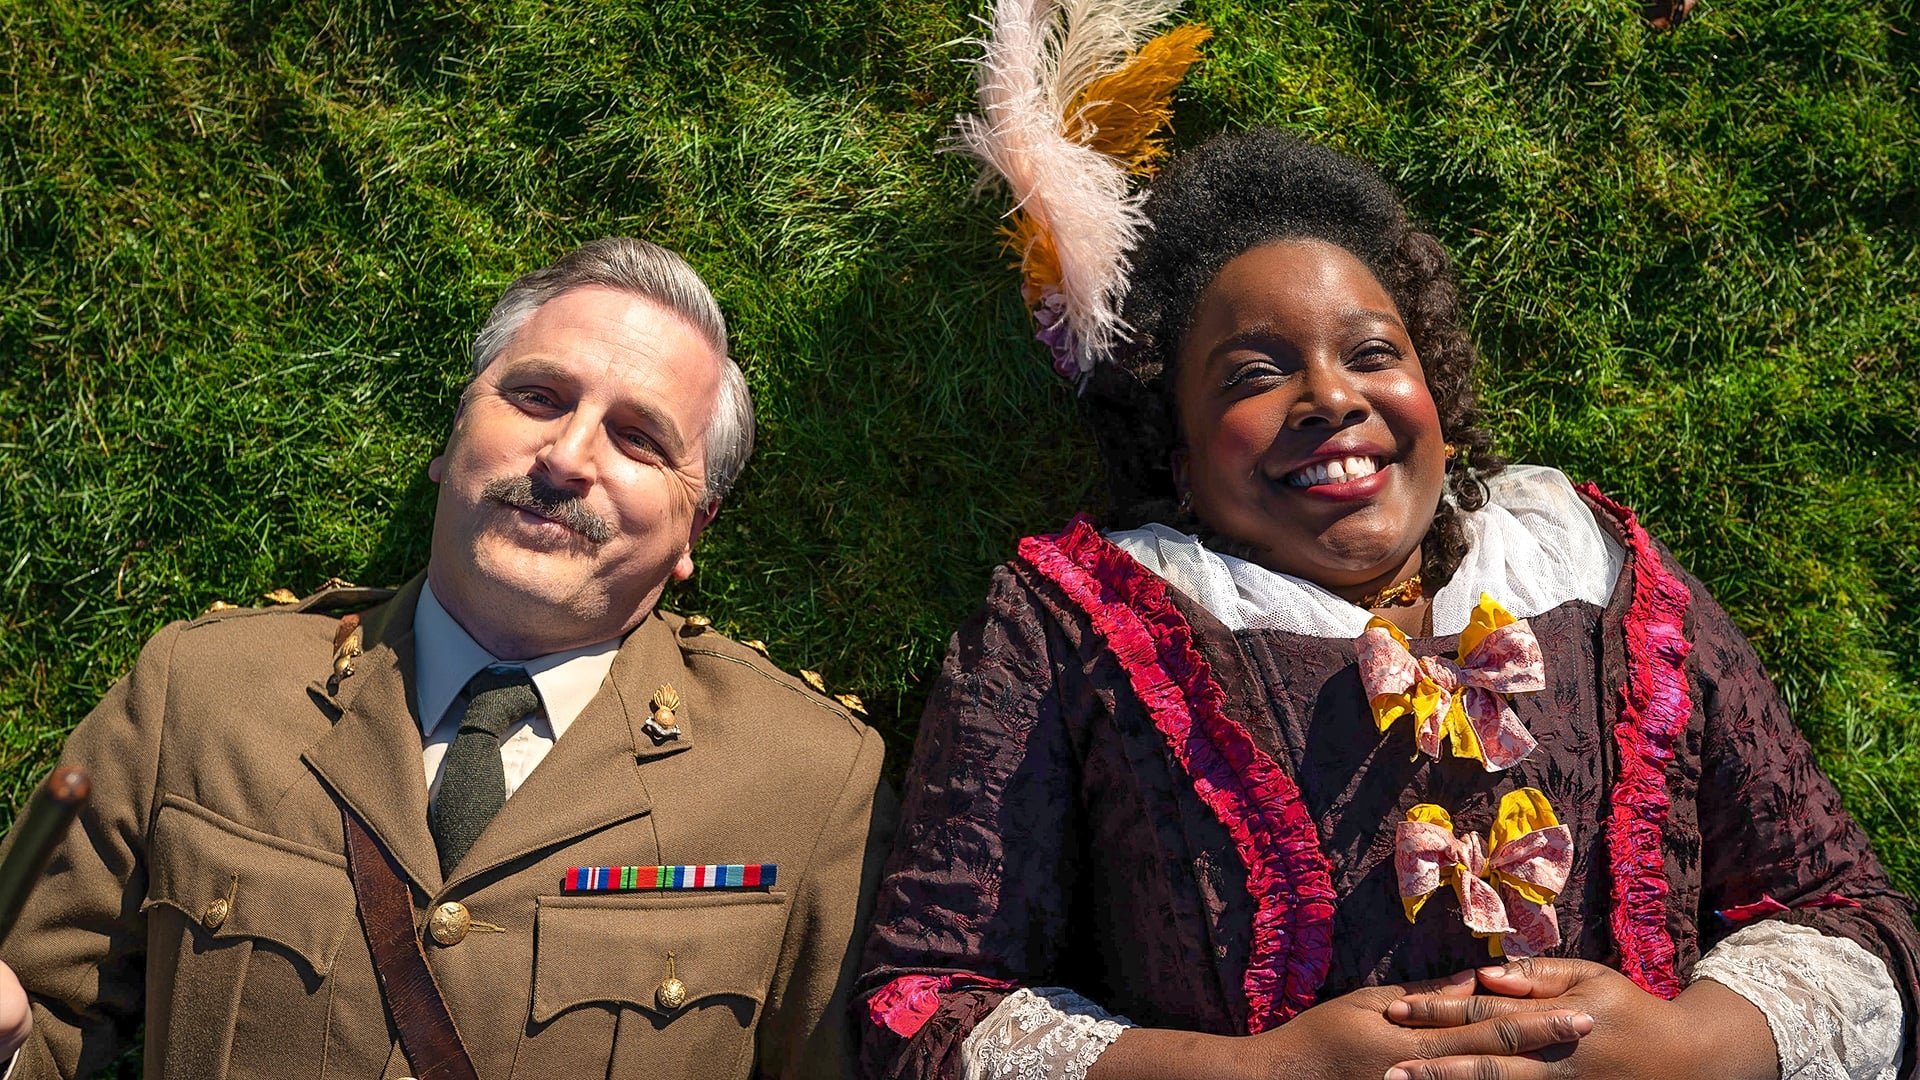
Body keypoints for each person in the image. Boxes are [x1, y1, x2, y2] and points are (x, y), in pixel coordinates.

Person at [855, 130, 1919, 1080]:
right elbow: (927, 1006)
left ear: (1436, 397)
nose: (1331, 396)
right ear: (1178, 452)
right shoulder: (1067, 626)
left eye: (1372, 353)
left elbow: (1854, 920)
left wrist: (1689, 1053)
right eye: (1253, 374)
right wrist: (1267, 1076)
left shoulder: (1595, 576)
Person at [0, 237, 891, 1079]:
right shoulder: (204, 691)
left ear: (695, 527)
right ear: (455, 431)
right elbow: (37, 1015)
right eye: (538, 397)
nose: (567, 458)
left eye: (638, 439)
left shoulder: (806, 784)